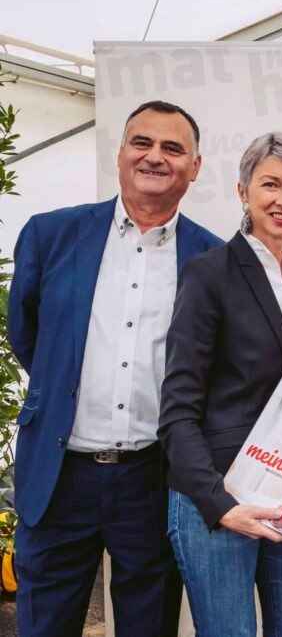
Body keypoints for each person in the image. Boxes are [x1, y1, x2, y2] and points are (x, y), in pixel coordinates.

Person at [8, 100, 222, 637]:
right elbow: (27, 334)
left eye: (173, 148)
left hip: (154, 478)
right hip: (58, 476)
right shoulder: (51, 234)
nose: (155, 156)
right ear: (121, 151)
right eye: (142, 142)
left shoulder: (212, 259)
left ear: (195, 167)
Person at [158, 132, 282, 636]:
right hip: (216, 495)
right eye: (271, 184)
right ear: (242, 190)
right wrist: (220, 504)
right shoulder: (208, 273)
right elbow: (178, 408)